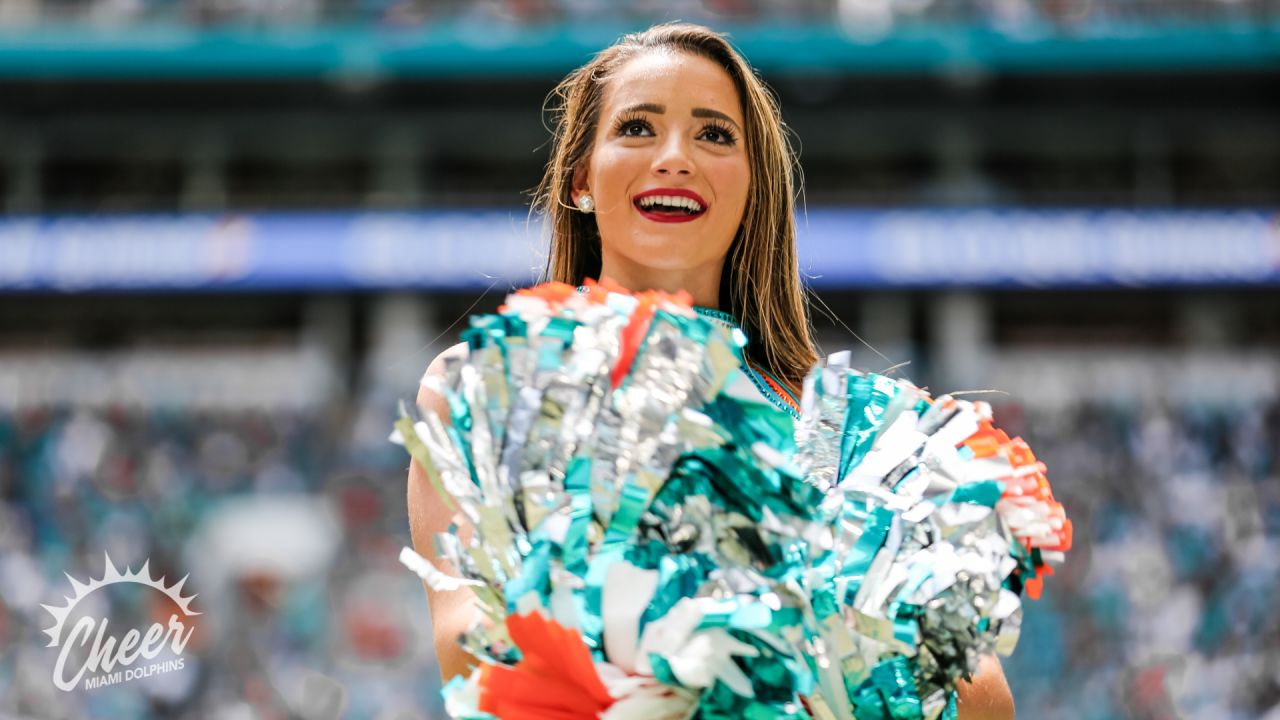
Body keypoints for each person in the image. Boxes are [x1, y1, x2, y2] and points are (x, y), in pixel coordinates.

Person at [407, 22, 1016, 719]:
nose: (675, 157)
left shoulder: (860, 430)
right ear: (580, 178)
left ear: (752, 187)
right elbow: (472, 650)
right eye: (637, 128)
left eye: (715, 135)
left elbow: (981, 695)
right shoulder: (488, 386)